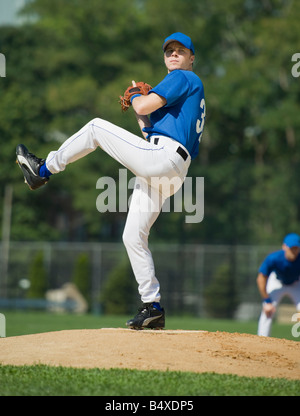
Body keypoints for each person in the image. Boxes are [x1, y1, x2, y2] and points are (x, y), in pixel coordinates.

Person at [16, 32, 206, 329]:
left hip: (165, 159)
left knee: (94, 127)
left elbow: (144, 107)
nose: (173, 54)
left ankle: (42, 170)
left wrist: (137, 99)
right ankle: (152, 306)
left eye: (180, 51)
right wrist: (136, 102)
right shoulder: (183, 92)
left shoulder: (182, 77)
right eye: (169, 50)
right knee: (132, 236)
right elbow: (147, 130)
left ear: (191, 57)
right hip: (168, 167)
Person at [256, 233, 300, 336]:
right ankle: (262, 340)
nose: (294, 251)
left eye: (296, 248)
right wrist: (267, 301)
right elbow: (261, 278)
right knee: (268, 310)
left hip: (296, 283)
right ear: (284, 247)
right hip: (277, 282)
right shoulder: (274, 258)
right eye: (291, 248)